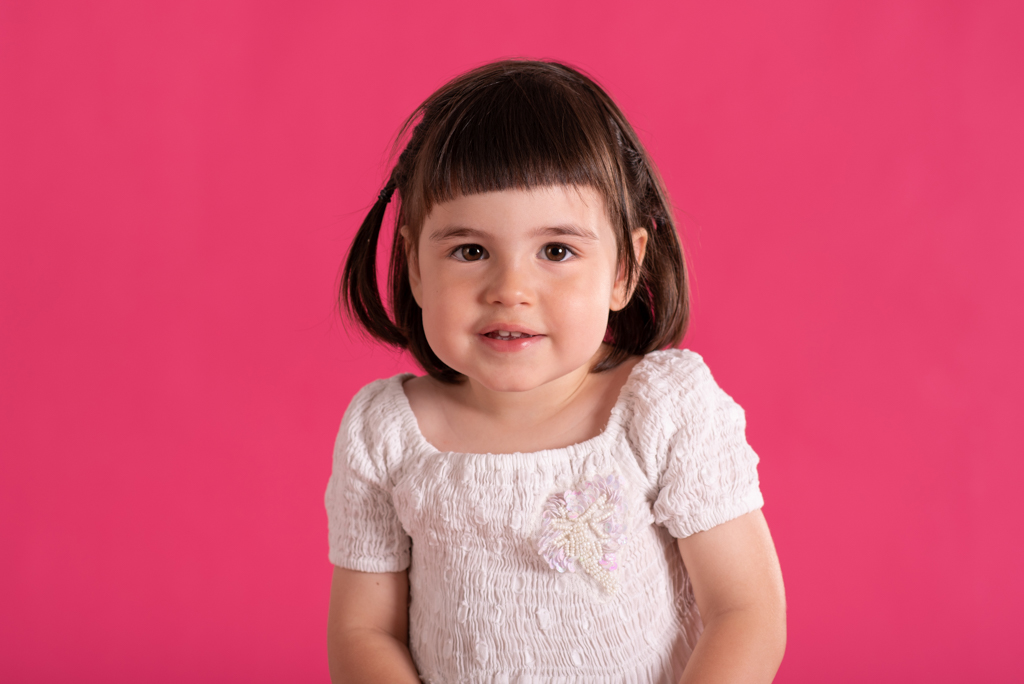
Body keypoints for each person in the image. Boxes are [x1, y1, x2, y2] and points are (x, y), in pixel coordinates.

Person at [326, 59, 786, 684]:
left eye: (556, 250)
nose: (510, 289)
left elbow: (746, 611)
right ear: (413, 267)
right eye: (470, 250)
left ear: (624, 269)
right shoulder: (385, 433)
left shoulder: (662, 412)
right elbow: (364, 631)